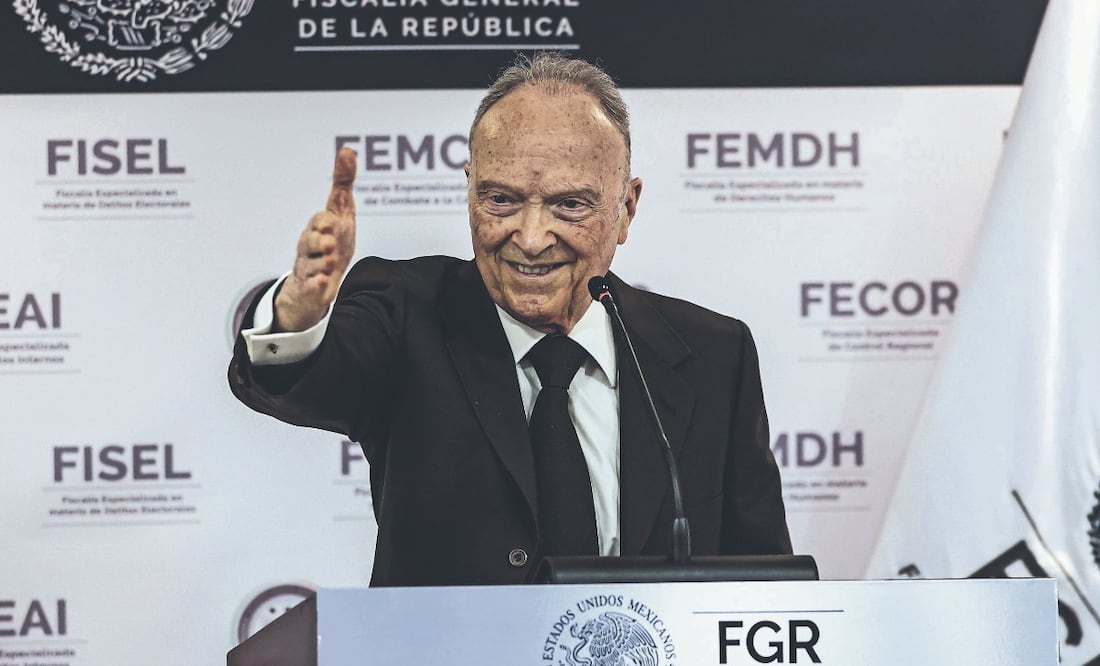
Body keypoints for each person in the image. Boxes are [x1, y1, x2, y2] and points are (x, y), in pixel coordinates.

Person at [229, 52, 791, 586]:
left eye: (569, 204)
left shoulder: (714, 355)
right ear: (470, 187)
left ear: (626, 208)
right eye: (500, 200)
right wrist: (298, 314)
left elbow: (770, 589)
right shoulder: (406, 314)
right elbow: (310, 381)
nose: (529, 237)